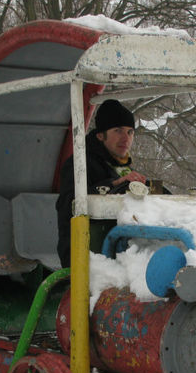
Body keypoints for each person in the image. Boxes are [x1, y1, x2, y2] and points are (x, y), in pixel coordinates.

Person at [55, 99, 147, 268]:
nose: (125, 138)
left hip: (118, 250)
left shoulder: (122, 167)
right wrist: (115, 183)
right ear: (100, 135)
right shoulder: (79, 164)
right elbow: (70, 205)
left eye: (130, 132)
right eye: (118, 131)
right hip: (85, 254)